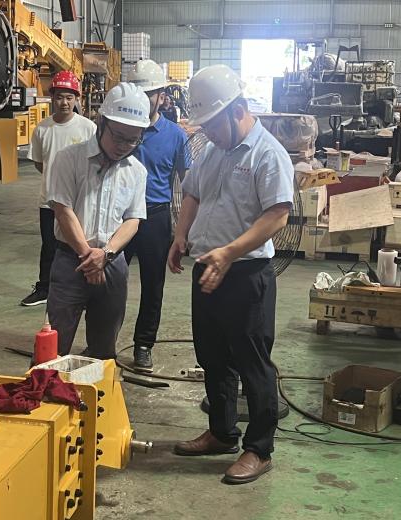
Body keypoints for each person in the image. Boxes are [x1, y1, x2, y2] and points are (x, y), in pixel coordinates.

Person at [168, 65, 293, 485]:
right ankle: (222, 433)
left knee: (253, 363)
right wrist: (181, 235)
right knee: (213, 357)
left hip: (245, 272)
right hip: (208, 267)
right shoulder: (213, 150)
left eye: (212, 123)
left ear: (237, 110)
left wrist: (230, 252)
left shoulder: (267, 154)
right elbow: (192, 192)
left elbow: (277, 214)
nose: (207, 132)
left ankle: (259, 449)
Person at [46, 83, 151, 359]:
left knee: (104, 349)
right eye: (118, 136)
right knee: (54, 346)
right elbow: (63, 210)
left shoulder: (136, 171)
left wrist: (105, 254)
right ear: (102, 123)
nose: (123, 146)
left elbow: (133, 219)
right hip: (70, 260)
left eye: (132, 140)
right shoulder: (69, 158)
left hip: (112, 263)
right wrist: (88, 256)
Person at [124, 60, 189, 372]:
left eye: (148, 93)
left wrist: (183, 230)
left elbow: (188, 183)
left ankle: (143, 344)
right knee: (109, 282)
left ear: (161, 96)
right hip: (120, 217)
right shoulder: (120, 128)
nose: (141, 98)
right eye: (136, 92)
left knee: (153, 285)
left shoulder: (175, 136)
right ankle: (102, 340)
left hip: (155, 217)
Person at [20, 71, 97, 307]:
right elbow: (39, 163)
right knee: (49, 246)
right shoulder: (42, 129)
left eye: (69, 97)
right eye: (59, 97)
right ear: (52, 97)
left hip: (79, 200)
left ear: (76, 99)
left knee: (80, 243)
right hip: (49, 201)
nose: (64, 102)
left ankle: (82, 288)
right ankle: (44, 288)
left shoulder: (88, 128)